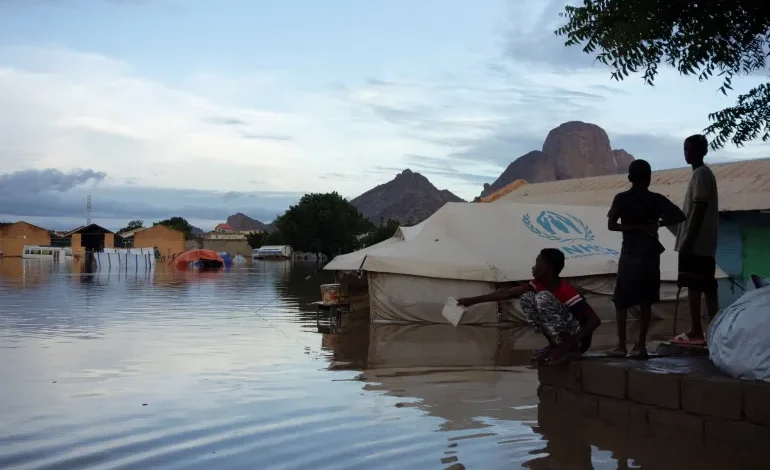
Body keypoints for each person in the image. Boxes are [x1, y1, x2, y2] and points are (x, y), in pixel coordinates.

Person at [457, 248, 601, 364]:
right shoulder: (538, 285)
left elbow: (594, 321)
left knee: (542, 298)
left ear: (548, 267)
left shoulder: (565, 290)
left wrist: (567, 345)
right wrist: (472, 301)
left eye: (537, 263)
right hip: (564, 337)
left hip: (578, 340)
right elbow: (508, 293)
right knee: (527, 298)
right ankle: (554, 344)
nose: (533, 267)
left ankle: (570, 350)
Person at [607, 159, 686, 358]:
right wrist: (655, 224)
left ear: (630, 178)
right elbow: (679, 215)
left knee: (622, 301)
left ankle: (621, 346)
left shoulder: (622, 198)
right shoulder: (656, 199)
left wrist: (635, 228)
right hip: (650, 254)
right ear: (649, 178)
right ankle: (640, 346)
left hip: (630, 253)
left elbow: (612, 225)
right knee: (645, 301)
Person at [672, 134, 719, 345]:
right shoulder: (702, 174)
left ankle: (696, 331)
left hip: (696, 242)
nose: (687, 153)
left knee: (694, 285)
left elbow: (699, 208)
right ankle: (715, 330)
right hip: (703, 242)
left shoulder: (701, 174)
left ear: (702, 151)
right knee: (706, 286)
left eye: (690, 149)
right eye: (685, 149)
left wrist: (689, 239)